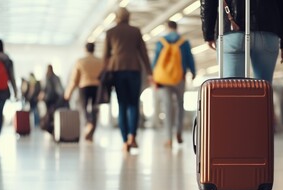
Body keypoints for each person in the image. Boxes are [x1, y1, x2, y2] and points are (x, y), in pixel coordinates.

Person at [200, 0, 283, 83]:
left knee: (233, 90)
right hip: (268, 31)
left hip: (233, 31)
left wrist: (208, 33)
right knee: (263, 90)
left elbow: (207, 2)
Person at [103, 7, 153, 153]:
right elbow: (143, 52)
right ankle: (132, 136)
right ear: (129, 17)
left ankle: (125, 140)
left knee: (122, 105)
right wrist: (149, 72)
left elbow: (106, 56)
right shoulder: (135, 31)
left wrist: (104, 73)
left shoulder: (110, 32)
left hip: (117, 71)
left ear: (116, 17)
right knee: (134, 104)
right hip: (134, 69)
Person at [152, 21, 196, 148]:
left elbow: (156, 61)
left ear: (167, 28)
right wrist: (193, 72)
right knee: (180, 105)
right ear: (177, 28)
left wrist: (154, 76)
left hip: (164, 80)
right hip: (179, 78)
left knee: (167, 107)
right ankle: (179, 132)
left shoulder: (161, 42)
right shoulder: (184, 42)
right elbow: (189, 58)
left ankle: (168, 138)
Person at [64, 42, 104, 142]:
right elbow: (104, 76)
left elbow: (74, 79)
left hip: (84, 86)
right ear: (93, 49)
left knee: (83, 107)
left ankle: (88, 123)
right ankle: (91, 132)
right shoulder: (100, 61)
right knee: (95, 108)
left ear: (85, 49)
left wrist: (69, 92)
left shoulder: (80, 61)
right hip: (97, 87)